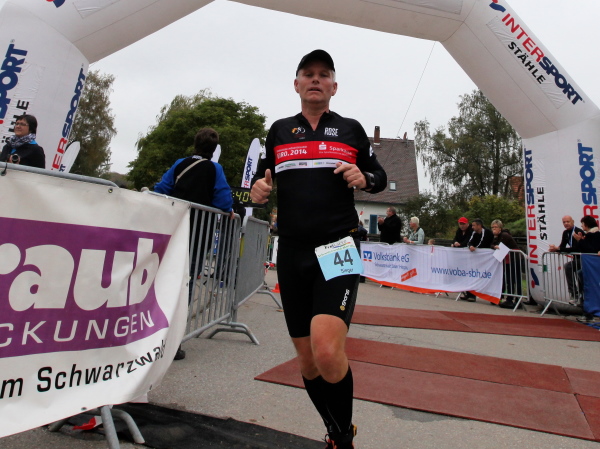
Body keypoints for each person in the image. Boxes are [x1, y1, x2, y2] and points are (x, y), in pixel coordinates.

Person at [250, 49, 387, 449]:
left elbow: (379, 176)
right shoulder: (279, 130)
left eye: (323, 74)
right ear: (296, 84)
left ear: (334, 87)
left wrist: (364, 177)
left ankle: (342, 441)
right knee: (308, 362)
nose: (315, 79)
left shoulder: (350, 129)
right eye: (308, 74)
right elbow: (258, 181)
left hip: (337, 246)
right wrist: (257, 190)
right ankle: (337, 433)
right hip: (292, 252)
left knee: (326, 351)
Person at [154, 128, 234, 360]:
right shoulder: (215, 169)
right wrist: (227, 210)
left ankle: (152, 334)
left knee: (165, 278)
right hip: (200, 233)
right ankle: (173, 342)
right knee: (186, 283)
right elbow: (223, 200)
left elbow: (161, 189)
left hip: (175, 229)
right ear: (214, 149)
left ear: (195, 144)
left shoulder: (180, 164)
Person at [548, 215, 583, 303]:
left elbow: (576, 248)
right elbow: (562, 246)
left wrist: (559, 249)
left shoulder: (578, 231)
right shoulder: (565, 232)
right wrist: (555, 249)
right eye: (564, 222)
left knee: (569, 267)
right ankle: (574, 294)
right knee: (572, 270)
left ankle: (578, 294)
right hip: (576, 259)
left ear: (573, 221)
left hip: (584, 258)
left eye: (568, 221)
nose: (566, 224)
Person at [571, 216, 600, 319]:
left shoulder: (594, 234)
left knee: (584, 278)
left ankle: (581, 298)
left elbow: (589, 248)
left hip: (593, 266)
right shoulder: (590, 234)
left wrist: (580, 241)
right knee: (580, 273)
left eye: (582, 224)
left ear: (586, 225)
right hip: (591, 266)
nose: (581, 226)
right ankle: (581, 297)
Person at [460, 218, 494, 302]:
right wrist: (471, 246)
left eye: (474, 225)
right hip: (475, 258)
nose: (472, 227)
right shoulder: (474, 233)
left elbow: (483, 243)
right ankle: (470, 294)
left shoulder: (487, 232)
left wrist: (476, 249)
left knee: (484, 276)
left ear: (479, 226)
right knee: (472, 275)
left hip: (486, 258)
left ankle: (491, 295)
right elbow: (469, 242)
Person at [491, 219, 522, 309]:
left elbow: (501, 245)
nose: (494, 229)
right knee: (508, 279)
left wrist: (495, 245)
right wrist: (494, 246)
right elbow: (492, 244)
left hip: (514, 259)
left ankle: (514, 299)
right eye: (492, 227)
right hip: (508, 260)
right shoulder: (497, 237)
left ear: (500, 228)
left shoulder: (504, 235)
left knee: (513, 279)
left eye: (496, 227)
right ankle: (509, 298)